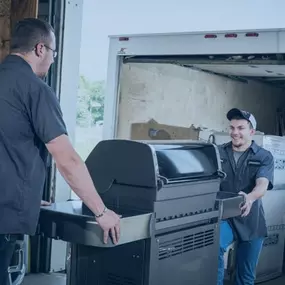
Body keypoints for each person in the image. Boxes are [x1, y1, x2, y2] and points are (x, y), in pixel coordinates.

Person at [0, 18, 120, 284]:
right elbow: (67, 159)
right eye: (54, 53)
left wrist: (27, 196)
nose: (54, 59)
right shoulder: (35, 89)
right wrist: (101, 212)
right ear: (40, 49)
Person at [216, 108, 274, 285]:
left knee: (245, 277)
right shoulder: (218, 152)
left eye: (240, 128)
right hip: (225, 216)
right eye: (232, 128)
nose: (234, 133)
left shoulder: (264, 156)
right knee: (214, 247)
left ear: (251, 131)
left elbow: (262, 183)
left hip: (251, 220)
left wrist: (250, 197)